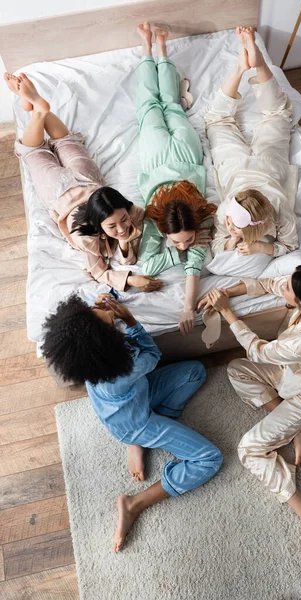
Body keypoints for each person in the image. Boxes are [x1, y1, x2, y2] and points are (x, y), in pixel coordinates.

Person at [41, 293, 223, 552]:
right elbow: (152, 354)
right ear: (107, 339)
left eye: (93, 308)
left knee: (195, 371)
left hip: (137, 399)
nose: (100, 308)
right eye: (104, 318)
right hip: (134, 423)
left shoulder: (93, 360)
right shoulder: (124, 368)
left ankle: (143, 439)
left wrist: (108, 303)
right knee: (209, 459)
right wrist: (130, 319)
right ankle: (135, 503)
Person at [198, 265, 301, 566]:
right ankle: (296, 426)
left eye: (289, 289)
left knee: (248, 449)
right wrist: (227, 292)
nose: (284, 287)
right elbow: (267, 282)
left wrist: (228, 312)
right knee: (236, 371)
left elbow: (258, 351)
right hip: (292, 377)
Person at [4, 72, 162, 292]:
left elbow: (125, 258)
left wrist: (125, 242)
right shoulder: (85, 236)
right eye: (113, 226)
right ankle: (37, 107)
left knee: (61, 141)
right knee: (34, 150)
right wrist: (130, 279)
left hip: (87, 182)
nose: (122, 228)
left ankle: (37, 106)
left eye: (122, 220)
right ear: (98, 224)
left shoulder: (131, 213)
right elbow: (99, 272)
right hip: (59, 190)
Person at [135, 22, 217, 333]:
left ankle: (156, 48)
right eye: (180, 240)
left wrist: (187, 306)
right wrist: (177, 249)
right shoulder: (161, 221)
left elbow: (181, 264)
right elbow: (151, 265)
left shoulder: (189, 222)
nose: (185, 244)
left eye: (187, 239)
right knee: (161, 106)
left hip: (160, 159)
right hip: (180, 155)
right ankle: (152, 47)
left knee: (156, 106)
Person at [204, 27, 298, 260]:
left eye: (231, 226)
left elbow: (217, 245)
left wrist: (259, 246)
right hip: (241, 166)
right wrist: (239, 236)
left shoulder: (230, 211)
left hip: (261, 165)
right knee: (219, 121)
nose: (227, 224)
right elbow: (289, 244)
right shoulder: (275, 213)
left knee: (277, 115)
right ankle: (250, 65)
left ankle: (248, 67)